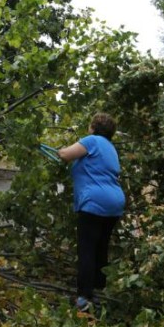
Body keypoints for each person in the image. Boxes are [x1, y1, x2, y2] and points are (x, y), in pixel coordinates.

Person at [57, 113, 125, 312]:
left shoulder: (92, 140)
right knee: (100, 248)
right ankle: (98, 291)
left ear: (93, 127)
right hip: (114, 203)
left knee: (87, 250)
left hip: (95, 202)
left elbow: (65, 155)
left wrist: (60, 151)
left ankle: (84, 298)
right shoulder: (111, 148)